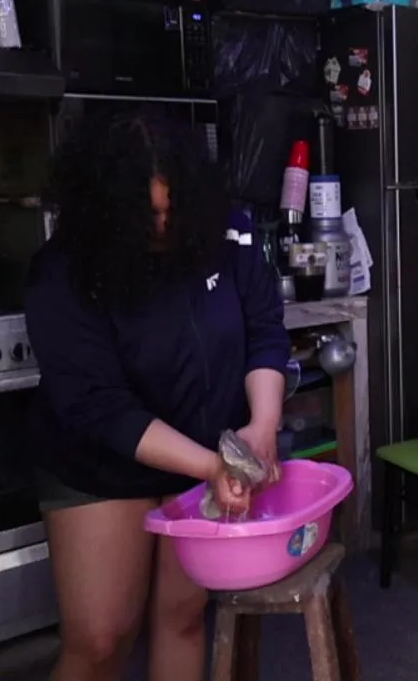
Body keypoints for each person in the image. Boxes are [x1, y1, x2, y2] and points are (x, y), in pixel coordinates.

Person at [24, 108, 291, 681]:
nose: (166, 227)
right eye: (148, 217)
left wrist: (262, 424)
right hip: (99, 466)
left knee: (183, 617)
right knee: (101, 639)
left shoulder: (229, 232)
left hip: (199, 452)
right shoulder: (64, 269)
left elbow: (265, 333)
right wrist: (213, 465)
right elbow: (99, 405)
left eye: (174, 210)